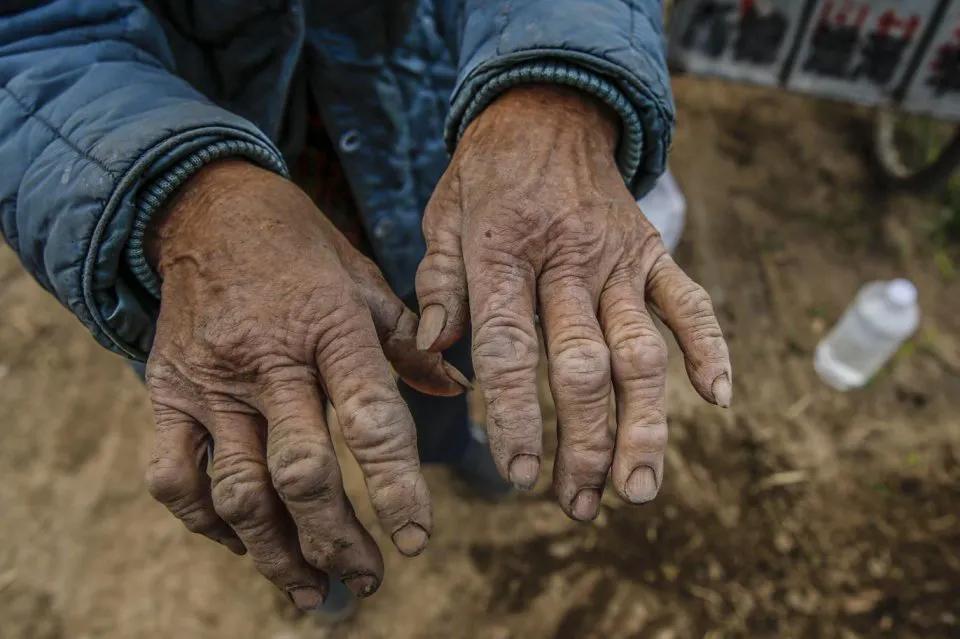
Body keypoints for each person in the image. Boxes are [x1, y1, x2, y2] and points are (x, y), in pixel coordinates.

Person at [0, 0, 732, 616]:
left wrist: (552, 89)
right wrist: (178, 199)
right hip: (179, 176)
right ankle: (317, 556)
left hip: (416, 125)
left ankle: (448, 447)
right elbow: (28, 29)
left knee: (439, 332)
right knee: (258, 414)